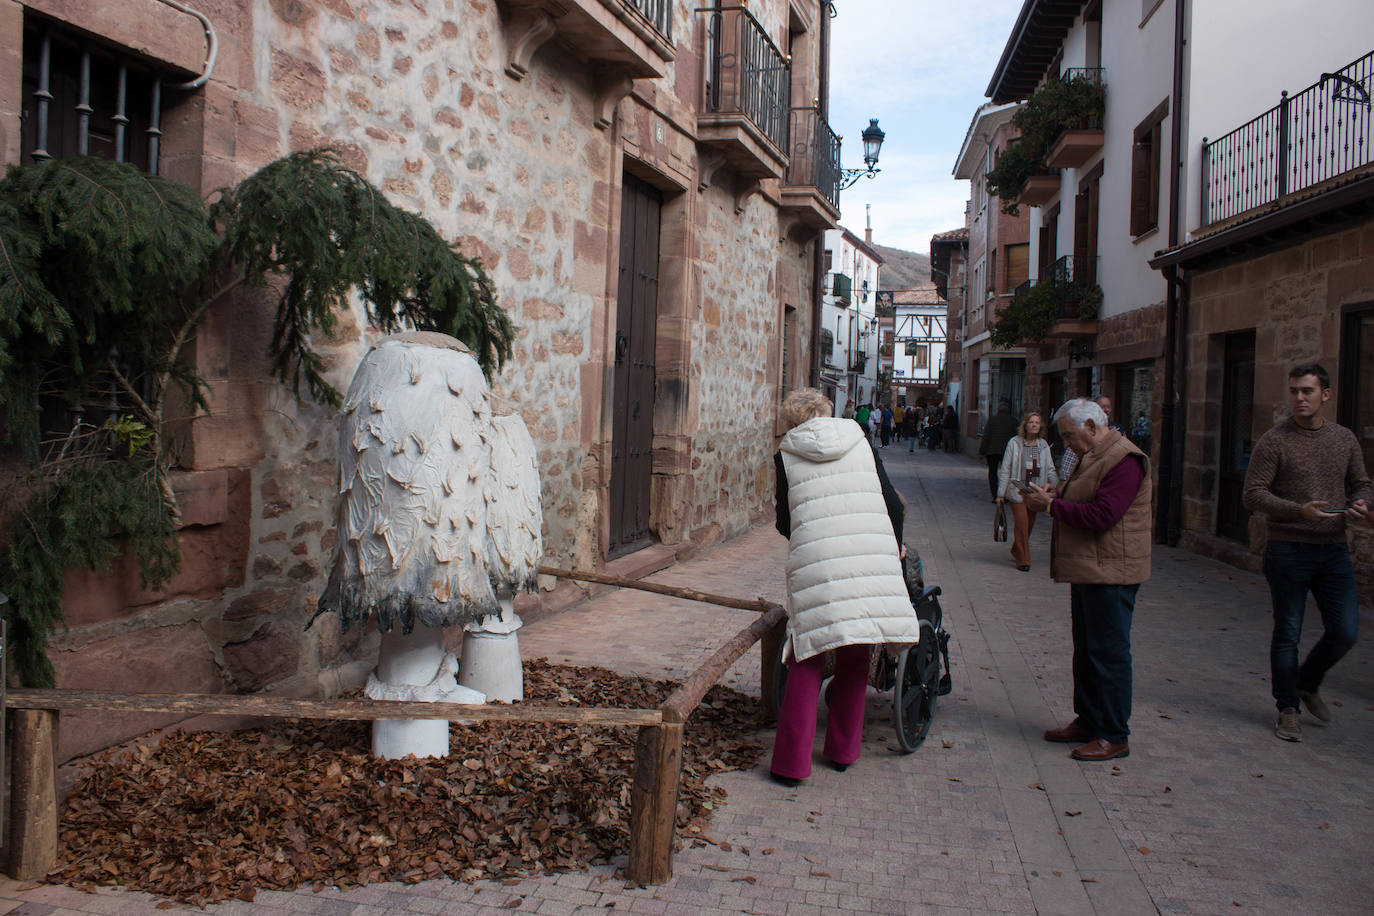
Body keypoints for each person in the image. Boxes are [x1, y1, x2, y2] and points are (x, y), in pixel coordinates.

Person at [770, 388, 921, 786]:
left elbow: (785, 521)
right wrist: (895, 546)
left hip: (817, 562)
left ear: (791, 421)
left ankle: (790, 766)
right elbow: (891, 503)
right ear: (826, 412)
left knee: (807, 654)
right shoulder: (861, 441)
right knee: (857, 649)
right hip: (870, 553)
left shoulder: (785, 454)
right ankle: (842, 752)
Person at [1241, 363, 1374, 743]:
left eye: (1307, 391)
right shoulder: (1275, 440)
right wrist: (1299, 510)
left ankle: (1307, 681)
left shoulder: (1345, 439)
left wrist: (1361, 504)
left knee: (1346, 630)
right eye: (1295, 391)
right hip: (1288, 549)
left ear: (1325, 395)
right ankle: (1288, 708)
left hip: (1333, 550)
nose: (1299, 398)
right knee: (1288, 632)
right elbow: (1253, 494)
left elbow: (1362, 484)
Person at [1023, 398, 1151, 762]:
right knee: (1088, 650)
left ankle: (1113, 733)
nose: (1067, 444)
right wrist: (1056, 494)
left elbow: (1104, 514)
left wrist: (1049, 507)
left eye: (1069, 436)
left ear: (1093, 426)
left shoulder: (1124, 459)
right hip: (1092, 570)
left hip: (1112, 572)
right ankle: (1089, 719)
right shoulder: (1093, 455)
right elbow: (1084, 493)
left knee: (1108, 654)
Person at [996, 412, 1059, 572]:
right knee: (1022, 523)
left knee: (1029, 525)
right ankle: (1024, 560)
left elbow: (1050, 468)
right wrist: (1000, 493)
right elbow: (1006, 468)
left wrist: (1059, 487)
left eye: (1037, 422)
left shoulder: (1043, 445)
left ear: (1041, 426)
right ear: (1025, 425)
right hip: (1017, 489)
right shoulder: (1015, 443)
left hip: (1035, 490)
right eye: (1031, 422)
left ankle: (1017, 549)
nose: (1034, 425)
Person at [979, 400, 1020, 501]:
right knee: (1007, 473)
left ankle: (995, 495)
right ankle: (1006, 494)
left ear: (998, 409)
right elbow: (1018, 437)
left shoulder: (992, 420)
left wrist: (982, 451)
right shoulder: (1013, 421)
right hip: (1007, 451)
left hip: (992, 451)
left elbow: (986, 436)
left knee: (993, 473)